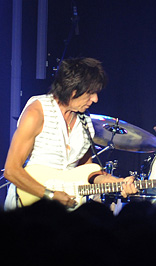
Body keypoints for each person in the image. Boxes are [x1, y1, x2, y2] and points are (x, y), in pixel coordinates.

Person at [3, 57, 137, 210]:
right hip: (30, 207)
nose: (95, 99)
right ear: (73, 91)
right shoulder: (36, 113)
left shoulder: (85, 122)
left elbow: (87, 170)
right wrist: (50, 195)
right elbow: (11, 171)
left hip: (67, 208)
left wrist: (115, 183)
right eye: (90, 93)